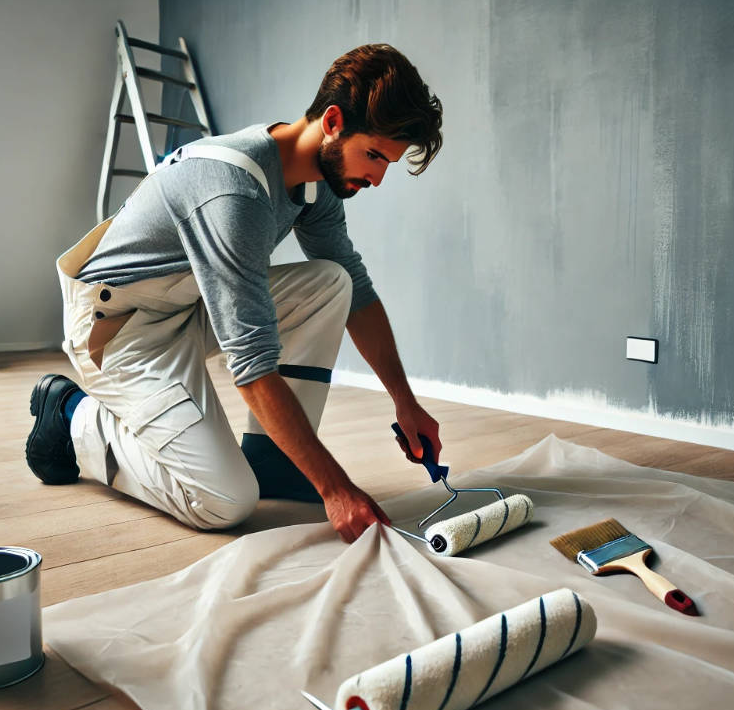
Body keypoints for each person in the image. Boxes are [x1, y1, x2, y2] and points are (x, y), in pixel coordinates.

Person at [26, 43, 444, 543]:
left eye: (387, 164)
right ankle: (71, 413)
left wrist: (405, 402)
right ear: (332, 122)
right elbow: (251, 364)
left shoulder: (317, 185)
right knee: (223, 501)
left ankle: (276, 461)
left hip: (187, 306)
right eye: (374, 155)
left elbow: (355, 290)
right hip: (118, 331)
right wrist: (335, 489)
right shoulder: (234, 192)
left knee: (334, 281)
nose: (376, 177)